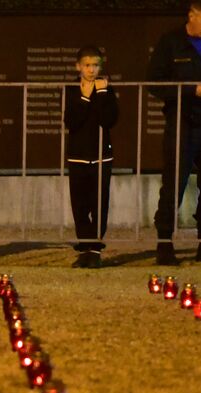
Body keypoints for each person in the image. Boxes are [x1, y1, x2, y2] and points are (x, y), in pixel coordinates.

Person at [146, 0, 201, 266]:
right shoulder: (171, 43)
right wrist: (192, 90)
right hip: (181, 124)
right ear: (192, 15)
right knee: (174, 184)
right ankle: (164, 243)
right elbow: (154, 82)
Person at [64, 46, 119, 268]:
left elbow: (109, 119)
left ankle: (95, 249)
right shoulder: (71, 89)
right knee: (79, 204)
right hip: (77, 156)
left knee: (99, 203)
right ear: (78, 66)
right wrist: (85, 97)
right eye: (87, 65)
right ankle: (85, 245)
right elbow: (71, 121)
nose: (91, 70)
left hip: (101, 156)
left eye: (95, 65)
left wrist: (102, 94)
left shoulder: (106, 89)